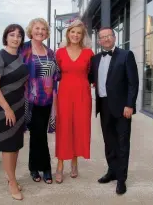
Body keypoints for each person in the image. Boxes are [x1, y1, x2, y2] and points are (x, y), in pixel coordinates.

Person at [88, 27, 139, 195]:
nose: (106, 39)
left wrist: (130, 105)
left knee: (122, 143)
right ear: (99, 41)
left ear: (114, 37)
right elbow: (88, 78)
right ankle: (112, 171)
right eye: (102, 37)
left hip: (122, 107)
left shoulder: (126, 55)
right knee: (109, 142)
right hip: (103, 106)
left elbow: (133, 83)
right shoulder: (95, 59)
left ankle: (122, 179)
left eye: (109, 35)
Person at [0, 24, 29, 200]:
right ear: (6, 37)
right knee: (7, 145)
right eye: (12, 35)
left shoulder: (20, 56)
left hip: (19, 105)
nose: (15, 38)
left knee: (16, 144)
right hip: (4, 106)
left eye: (19, 36)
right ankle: (12, 182)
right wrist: (6, 108)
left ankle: (10, 177)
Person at [20, 18, 60, 184]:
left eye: (43, 29)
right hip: (30, 100)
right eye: (37, 28)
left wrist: (56, 103)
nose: (40, 31)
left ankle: (33, 167)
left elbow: (56, 76)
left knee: (38, 135)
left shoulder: (50, 52)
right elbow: (7, 58)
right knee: (39, 135)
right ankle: (46, 168)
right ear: (31, 30)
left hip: (47, 100)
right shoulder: (24, 49)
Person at [54, 20, 94, 183]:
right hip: (64, 94)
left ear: (82, 35)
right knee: (63, 128)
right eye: (73, 32)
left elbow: (93, 75)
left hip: (83, 95)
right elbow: (54, 74)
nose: (75, 35)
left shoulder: (89, 53)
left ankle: (75, 162)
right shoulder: (60, 53)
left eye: (79, 32)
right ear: (68, 33)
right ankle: (60, 165)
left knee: (79, 127)